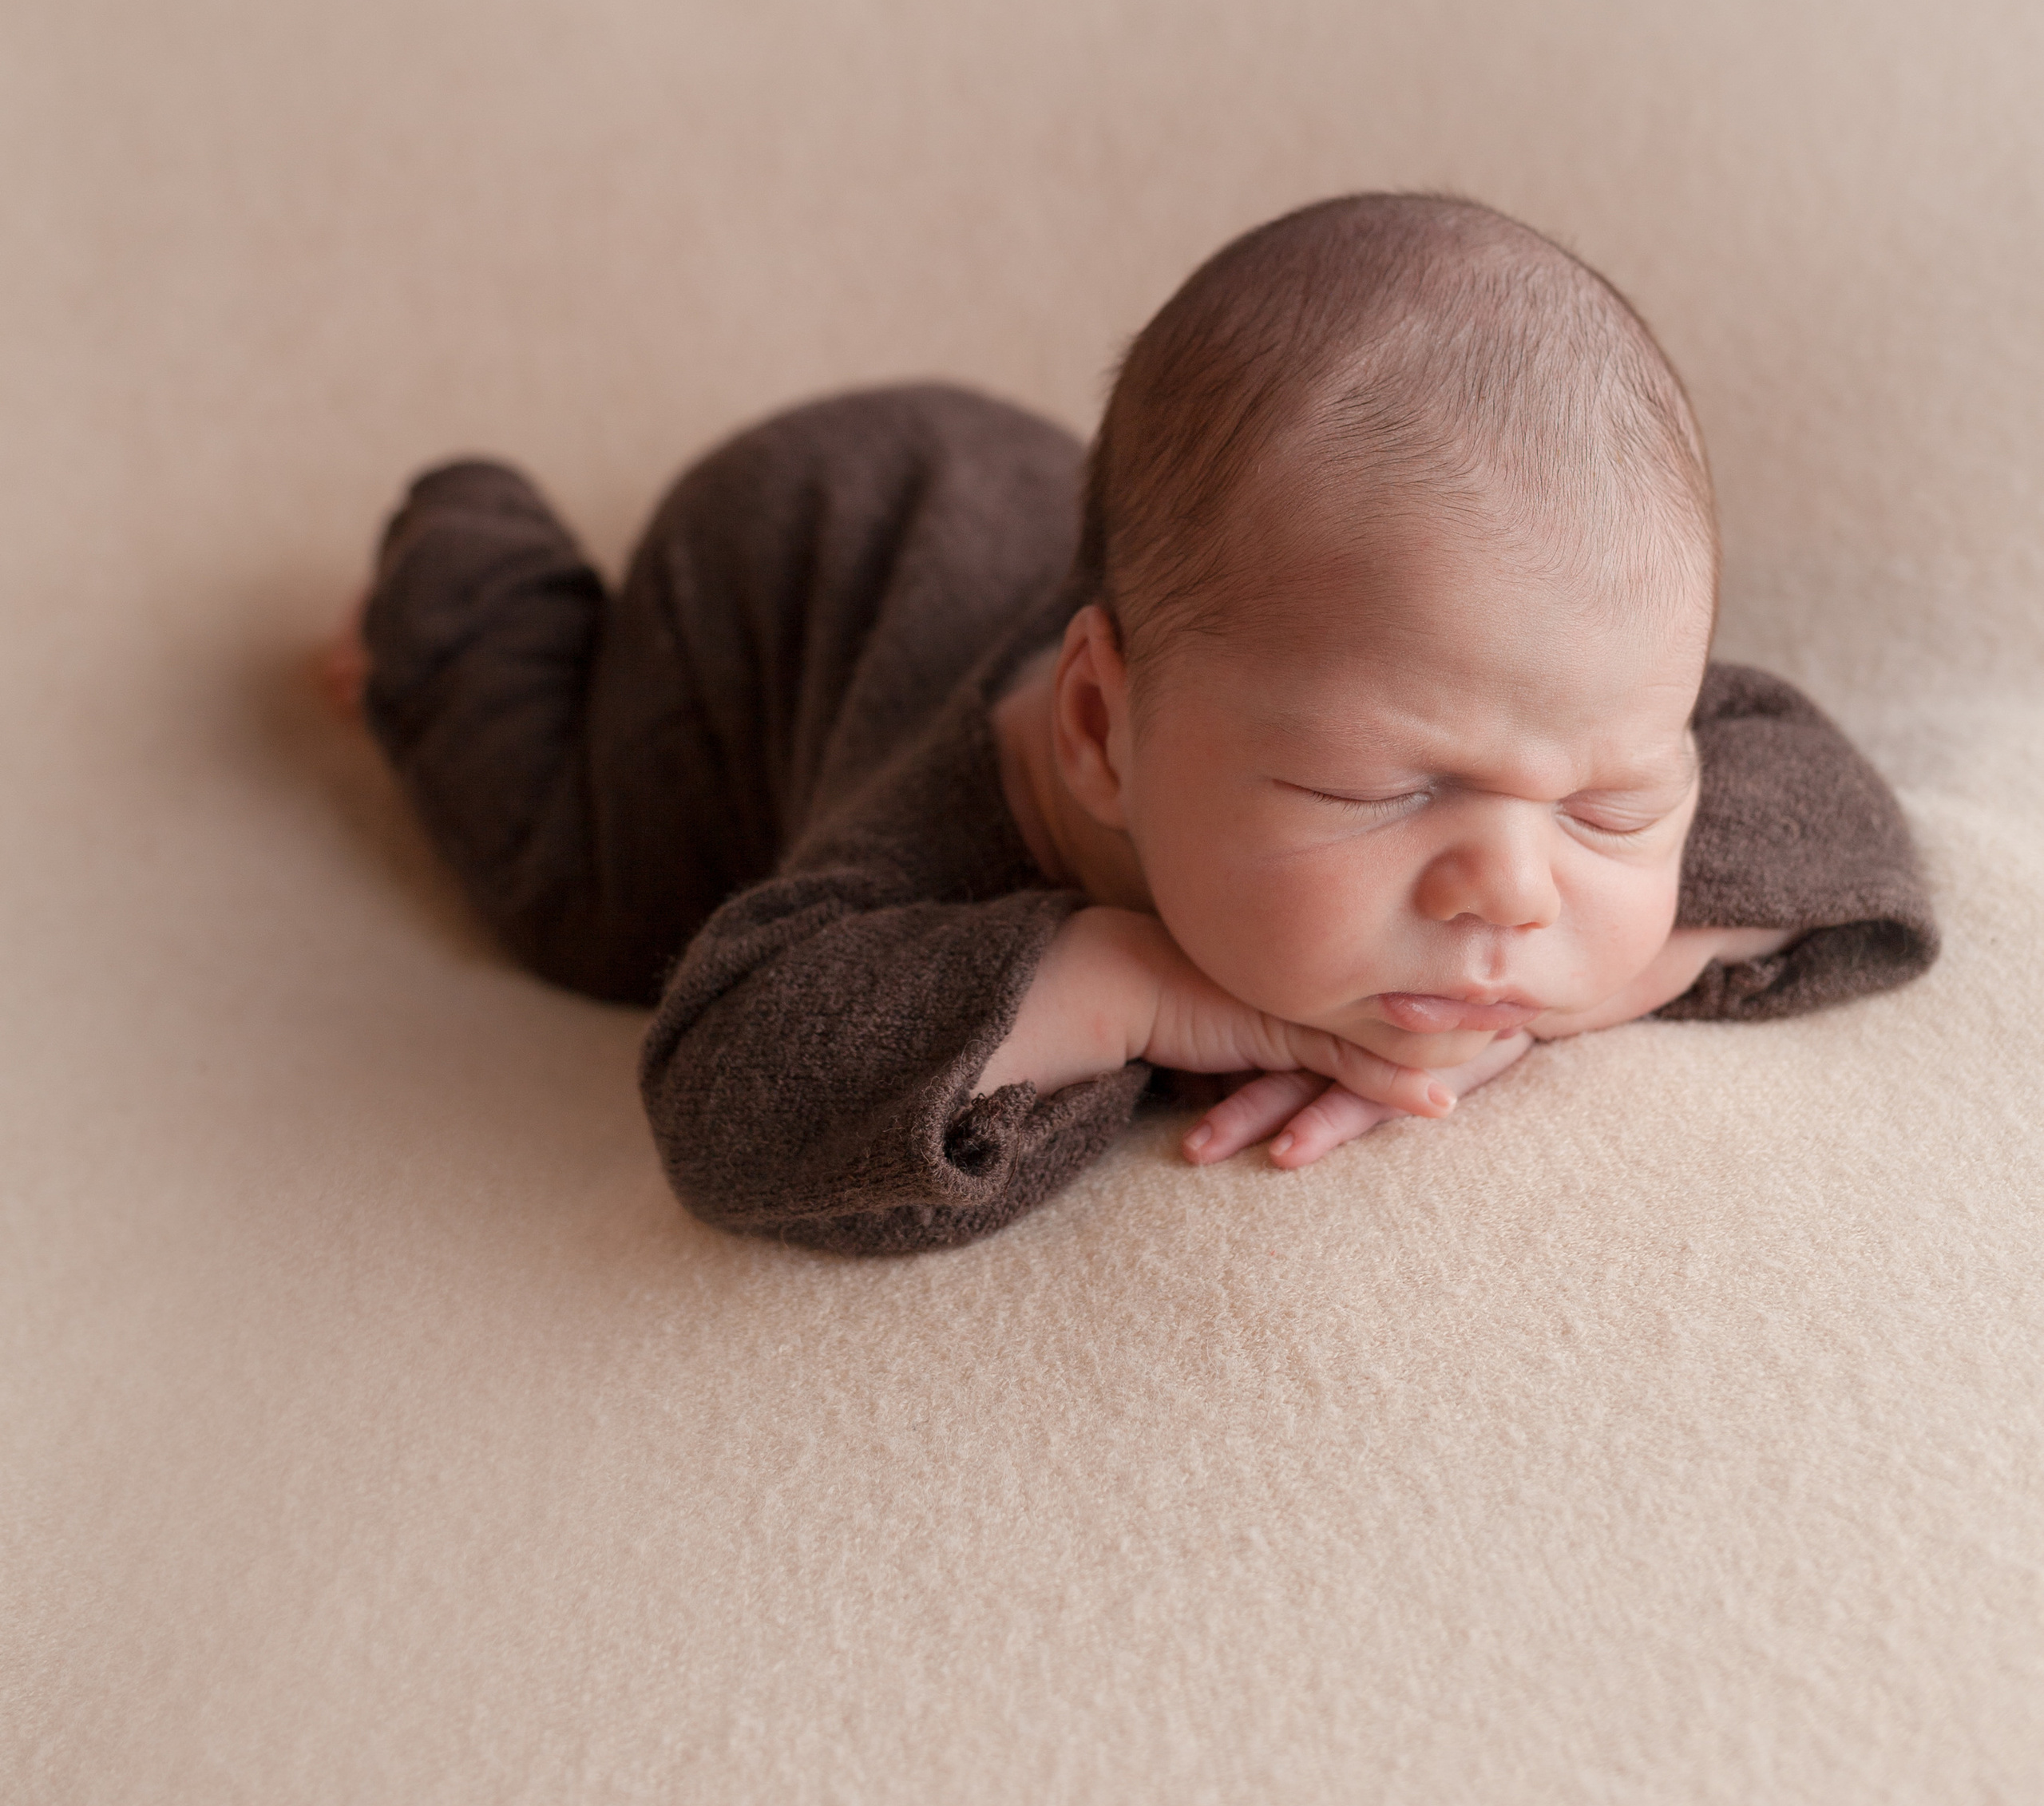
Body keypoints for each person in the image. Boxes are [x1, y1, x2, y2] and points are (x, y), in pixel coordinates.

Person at [328, 194, 1937, 1254]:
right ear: (1100, 728)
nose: (1512, 893)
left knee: (1226, 562)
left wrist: (1571, 987)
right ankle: (462, 564)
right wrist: (1125, 982)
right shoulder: (962, 818)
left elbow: (1835, 821)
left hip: (1090, 536)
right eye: (1390, 789)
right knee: (584, 907)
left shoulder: (1424, 669)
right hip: (756, 596)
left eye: (1606, 804)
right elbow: (725, 1098)